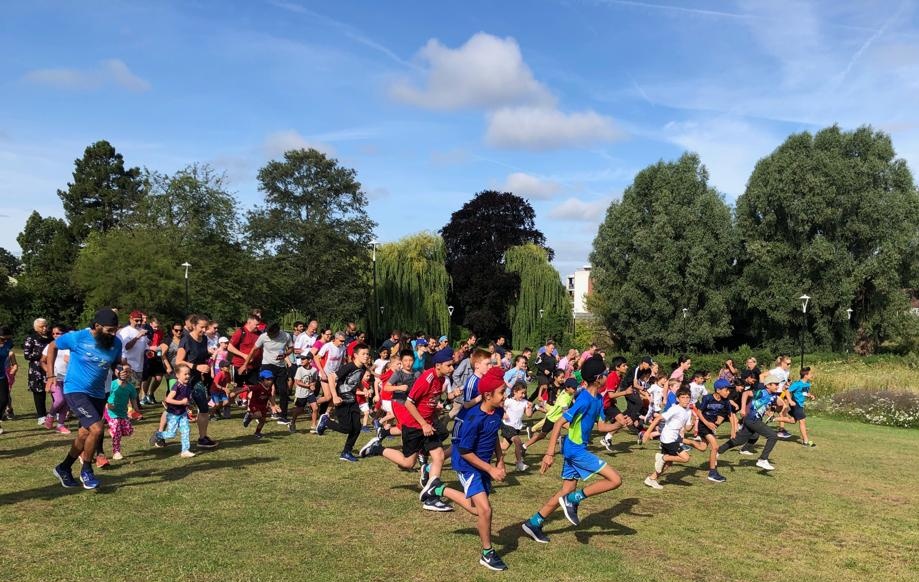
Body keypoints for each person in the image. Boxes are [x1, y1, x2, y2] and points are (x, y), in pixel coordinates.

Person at [403, 366, 509, 571]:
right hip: (468, 465)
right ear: (488, 395)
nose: (506, 396)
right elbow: (464, 450)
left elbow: (494, 433)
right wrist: (490, 469)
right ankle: (487, 553)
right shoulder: (473, 418)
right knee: (486, 510)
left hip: (483, 464)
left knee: (476, 509)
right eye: (502, 392)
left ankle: (438, 489)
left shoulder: (497, 411)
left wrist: (500, 460)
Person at [521, 356, 623, 544]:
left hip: (576, 448)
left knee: (566, 490)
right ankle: (575, 499)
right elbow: (559, 422)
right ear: (598, 377)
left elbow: (601, 428)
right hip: (575, 450)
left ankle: (534, 522)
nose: (608, 376)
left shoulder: (599, 399)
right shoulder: (583, 399)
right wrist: (549, 453)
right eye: (605, 373)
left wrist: (619, 425)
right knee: (615, 479)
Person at [365, 347, 456, 512]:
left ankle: (431, 497)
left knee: (439, 456)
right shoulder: (426, 378)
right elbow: (409, 403)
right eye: (449, 365)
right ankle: (377, 448)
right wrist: (423, 424)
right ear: (438, 365)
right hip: (415, 425)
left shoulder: (441, 379)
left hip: (427, 423)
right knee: (408, 463)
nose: (452, 368)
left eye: (452, 365)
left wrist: (440, 404)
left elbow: (430, 399)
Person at [48, 308, 124, 489]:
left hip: (98, 393)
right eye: (109, 330)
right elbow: (52, 346)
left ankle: (63, 468)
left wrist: (120, 369)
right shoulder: (78, 337)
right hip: (75, 389)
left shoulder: (116, 343)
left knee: (84, 434)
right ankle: (87, 471)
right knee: (97, 429)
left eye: (115, 329)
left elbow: (115, 362)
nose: (113, 334)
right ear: (97, 326)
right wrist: (51, 375)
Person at [316, 343, 373, 461]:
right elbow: (332, 378)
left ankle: (346, 452)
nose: (366, 356)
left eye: (367, 354)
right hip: (341, 400)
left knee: (357, 428)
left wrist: (364, 389)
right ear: (355, 355)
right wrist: (335, 396)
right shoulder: (349, 367)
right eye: (363, 354)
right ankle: (326, 421)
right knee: (346, 428)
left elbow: (356, 382)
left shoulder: (362, 369)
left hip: (352, 400)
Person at [717, 373, 784, 471]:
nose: (777, 386)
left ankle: (718, 451)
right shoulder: (761, 392)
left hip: (754, 420)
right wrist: (743, 408)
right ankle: (762, 459)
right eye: (775, 384)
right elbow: (746, 393)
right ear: (768, 385)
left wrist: (776, 408)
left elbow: (775, 406)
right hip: (752, 419)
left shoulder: (773, 396)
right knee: (773, 435)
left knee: (739, 440)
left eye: (778, 384)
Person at [176, 315, 219, 449]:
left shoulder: (204, 339)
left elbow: (199, 354)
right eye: (202, 327)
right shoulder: (186, 340)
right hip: (184, 380)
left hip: (197, 380)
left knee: (204, 408)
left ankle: (202, 438)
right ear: (194, 326)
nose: (204, 330)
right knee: (175, 409)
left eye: (206, 327)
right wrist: (196, 367)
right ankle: (160, 434)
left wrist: (208, 353)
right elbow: (178, 362)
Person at [643, 387, 695, 489]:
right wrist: (647, 433)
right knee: (685, 458)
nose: (686, 399)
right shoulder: (675, 409)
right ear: (677, 399)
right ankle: (662, 457)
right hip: (668, 438)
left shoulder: (688, 411)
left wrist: (694, 420)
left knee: (668, 464)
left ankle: (651, 479)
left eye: (688, 397)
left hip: (673, 438)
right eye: (683, 397)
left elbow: (688, 428)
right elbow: (658, 418)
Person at [693, 379, 736, 483]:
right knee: (715, 446)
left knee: (702, 447)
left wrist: (733, 430)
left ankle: (681, 440)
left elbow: (731, 416)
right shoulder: (707, 398)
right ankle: (712, 473)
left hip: (711, 427)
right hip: (703, 425)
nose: (728, 392)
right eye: (726, 390)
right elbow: (699, 412)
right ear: (718, 390)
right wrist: (707, 423)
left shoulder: (725, 401)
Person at [151, 364, 195, 457]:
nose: (188, 376)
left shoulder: (188, 385)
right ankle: (158, 435)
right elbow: (168, 399)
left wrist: (189, 405)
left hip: (182, 413)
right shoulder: (176, 386)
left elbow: (186, 399)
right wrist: (181, 402)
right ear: (178, 375)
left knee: (186, 430)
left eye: (189, 374)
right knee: (171, 434)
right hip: (173, 414)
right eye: (185, 374)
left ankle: (185, 451)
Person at [522, 372, 574, 452]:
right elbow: (566, 413)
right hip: (552, 419)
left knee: (572, 428)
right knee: (542, 435)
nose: (575, 389)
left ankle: (564, 442)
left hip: (557, 418)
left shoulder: (568, 392)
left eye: (576, 387)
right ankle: (524, 445)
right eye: (573, 388)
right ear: (567, 388)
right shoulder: (564, 398)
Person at [254, 322, 294, 424]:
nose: (269, 336)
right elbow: (254, 349)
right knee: (264, 390)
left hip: (280, 366)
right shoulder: (263, 336)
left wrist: (285, 354)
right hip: (267, 365)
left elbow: (291, 348)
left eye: (272, 334)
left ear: (277, 332)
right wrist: (246, 363)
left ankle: (283, 416)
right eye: (268, 334)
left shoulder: (286, 336)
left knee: (283, 391)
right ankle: (259, 414)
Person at [227, 313, 263, 407]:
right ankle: (226, 405)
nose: (258, 327)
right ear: (249, 322)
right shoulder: (241, 332)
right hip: (240, 365)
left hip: (254, 366)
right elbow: (230, 347)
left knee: (252, 387)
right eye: (256, 324)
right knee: (237, 388)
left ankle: (251, 409)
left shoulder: (259, 334)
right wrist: (243, 355)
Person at [41, 325, 71, 433]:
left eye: (58, 333)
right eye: (53, 333)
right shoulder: (50, 345)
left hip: (69, 378)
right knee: (60, 400)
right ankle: (50, 416)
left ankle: (60, 425)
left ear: (65, 334)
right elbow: (42, 361)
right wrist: (50, 373)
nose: (55, 335)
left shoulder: (70, 345)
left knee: (66, 402)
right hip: (55, 378)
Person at [106, 364, 138, 461]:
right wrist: (107, 405)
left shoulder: (131, 387)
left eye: (129, 371)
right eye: (124, 371)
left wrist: (136, 412)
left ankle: (112, 430)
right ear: (117, 372)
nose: (127, 373)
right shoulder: (112, 384)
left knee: (128, 431)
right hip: (111, 412)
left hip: (123, 413)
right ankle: (116, 452)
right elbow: (104, 397)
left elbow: (133, 401)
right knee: (117, 433)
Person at [500, 382, 532, 472]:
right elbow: (500, 406)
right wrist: (503, 413)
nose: (523, 395)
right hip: (507, 425)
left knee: (504, 447)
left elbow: (529, 415)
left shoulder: (524, 402)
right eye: (521, 393)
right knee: (518, 442)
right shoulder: (509, 401)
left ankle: (490, 445)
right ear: (515, 391)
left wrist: (529, 407)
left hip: (516, 428)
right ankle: (519, 463)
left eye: (524, 393)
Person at [24, 318, 51, 424]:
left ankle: (58, 413)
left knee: (55, 391)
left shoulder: (50, 338)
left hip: (50, 368)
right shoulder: (31, 338)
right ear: (35, 327)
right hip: (36, 370)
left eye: (46, 326)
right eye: (42, 326)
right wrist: (42, 354)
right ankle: (41, 416)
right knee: (39, 393)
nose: (45, 328)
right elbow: (27, 355)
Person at [782, 367, 816, 447]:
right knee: (802, 421)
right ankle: (806, 441)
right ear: (805, 375)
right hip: (795, 403)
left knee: (793, 421)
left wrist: (810, 395)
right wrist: (790, 401)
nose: (812, 375)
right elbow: (787, 391)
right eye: (810, 374)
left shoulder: (807, 384)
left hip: (800, 404)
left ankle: (774, 419)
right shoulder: (797, 384)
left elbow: (804, 393)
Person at [242, 370, 278, 439]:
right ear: (262, 380)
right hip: (254, 404)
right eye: (268, 379)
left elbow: (269, 396)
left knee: (262, 420)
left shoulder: (269, 388)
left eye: (271, 379)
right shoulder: (258, 387)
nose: (270, 381)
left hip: (263, 406)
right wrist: (235, 393)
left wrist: (274, 405)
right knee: (258, 415)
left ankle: (257, 432)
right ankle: (249, 417)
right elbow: (247, 388)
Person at [290, 353, 319, 433]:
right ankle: (292, 422)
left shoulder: (314, 370)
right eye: (301, 359)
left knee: (315, 408)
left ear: (309, 360)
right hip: (301, 393)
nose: (301, 361)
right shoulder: (300, 369)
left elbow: (314, 380)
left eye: (303, 359)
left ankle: (313, 426)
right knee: (299, 410)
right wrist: (308, 385)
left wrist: (313, 384)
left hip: (310, 393)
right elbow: (297, 382)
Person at [0, 327, 15, 435]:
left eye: (7, 339)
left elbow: (10, 352)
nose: (5, 341)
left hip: (2, 376)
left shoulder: (8, 343)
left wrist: (14, 365)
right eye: (2, 339)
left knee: (4, 400)